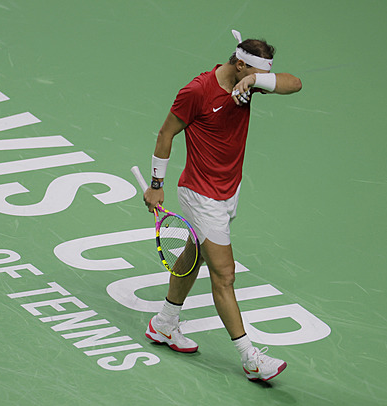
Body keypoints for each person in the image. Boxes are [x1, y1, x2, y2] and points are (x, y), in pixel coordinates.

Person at [142, 30, 302, 382]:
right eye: (252, 75)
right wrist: (156, 185)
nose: (256, 84)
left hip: (229, 190)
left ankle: (164, 324)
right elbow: (166, 133)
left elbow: (295, 84)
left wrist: (258, 80)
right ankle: (250, 357)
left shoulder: (248, 80)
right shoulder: (197, 91)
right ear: (238, 63)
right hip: (201, 194)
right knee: (224, 274)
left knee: (193, 255)